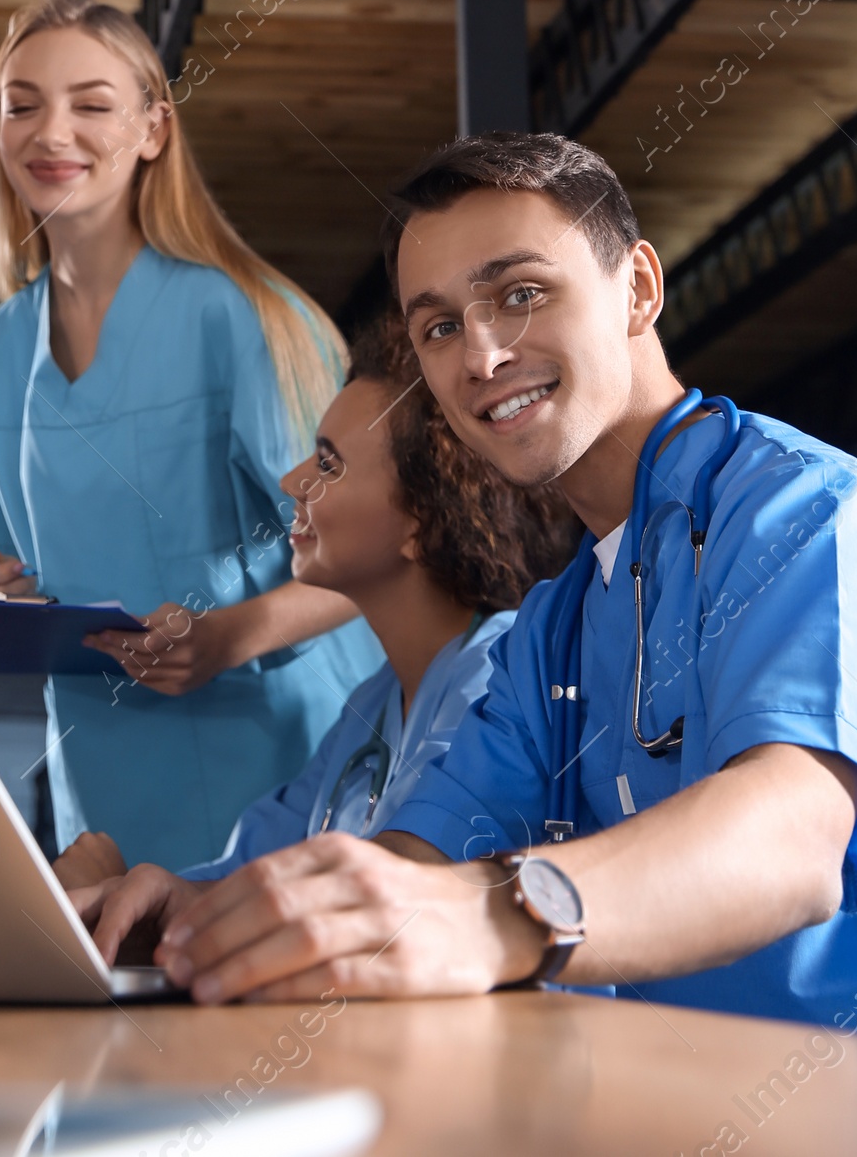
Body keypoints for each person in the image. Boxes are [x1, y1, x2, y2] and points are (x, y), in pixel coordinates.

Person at [141, 134, 857, 1063]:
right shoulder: (551, 633)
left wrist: (505, 915)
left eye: (520, 294)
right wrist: (207, 921)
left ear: (638, 289)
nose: (478, 356)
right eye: (438, 327)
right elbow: (414, 865)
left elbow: (789, 839)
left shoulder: (810, 512)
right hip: (674, 1099)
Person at [0, 0, 383, 872]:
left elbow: (382, 555)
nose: (50, 131)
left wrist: (227, 637)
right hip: (101, 781)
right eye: (20, 105)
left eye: (92, 104)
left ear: (153, 129)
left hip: (284, 758)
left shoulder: (246, 318)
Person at [59, 309, 574, 955]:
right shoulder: (369, 710)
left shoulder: (499, 674)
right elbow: (243, 881)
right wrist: (128, 894)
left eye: (327, 466)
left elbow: (386, 909)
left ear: (422, 518)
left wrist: (115, 887)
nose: (290, 482)